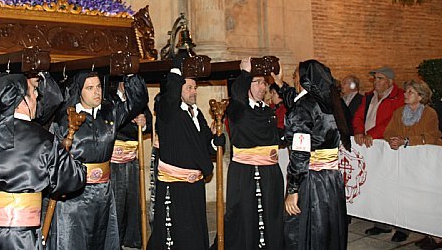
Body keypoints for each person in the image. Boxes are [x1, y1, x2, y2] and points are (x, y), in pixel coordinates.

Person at [0, 74, 86, 249]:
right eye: (34, 92)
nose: (37, 96)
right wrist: (77, 165)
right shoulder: (44, 140)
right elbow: (73, 179)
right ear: (23, 100)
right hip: (20, 238)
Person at [48, 71, 148, 250]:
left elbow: (138, 100)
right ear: (79, 91)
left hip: (103, 193)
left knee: (102, 240)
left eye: (99, 87)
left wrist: (130, 73)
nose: (97, 93)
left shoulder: (110, 113)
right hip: (74, 197)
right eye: (90, 88)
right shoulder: (66, 120)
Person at [147, 54, 224, 250]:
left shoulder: (196, 113)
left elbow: (206, 144)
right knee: (179, 235)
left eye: (195, 88)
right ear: (178, 89)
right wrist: (177, 68)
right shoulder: (168, 110)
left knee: (196, 231)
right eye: (189, 87)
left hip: (195, 185)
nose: (193, 92)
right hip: (174, 187)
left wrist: (215, 143)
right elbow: (170, 94)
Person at [273, 60, 349, 250]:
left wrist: (292, 190)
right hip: (332, 179)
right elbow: (296, 100)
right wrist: (280, 83)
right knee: (328, 228)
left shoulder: (304, 107)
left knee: (305, 229)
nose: (294, 79)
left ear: (304, 79)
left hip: (311, 180)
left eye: (296, 76)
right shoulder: (332, 102)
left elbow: (299, 154)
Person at [214, 57, 283, 249]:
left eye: (264, 83)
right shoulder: (237, 109)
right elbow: (236, 95)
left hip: (270, 172)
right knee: (243, 214)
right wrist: (244, 73)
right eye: (257, 82)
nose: (263, 87)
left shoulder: (268, 111)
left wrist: (279, 83)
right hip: (244, 172)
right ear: (247, 85)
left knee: (271, 213)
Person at [383, 80, 442, 250]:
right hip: (407, 163)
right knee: (412, 198)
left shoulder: (430, 113)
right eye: (406, 91)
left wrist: (408, 141)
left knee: (428, 199)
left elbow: (431, 136)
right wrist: (392, 140)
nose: (405, 94)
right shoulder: (398, 112)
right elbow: (388, 131)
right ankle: (426, 232)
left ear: (420, 96)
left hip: (428, 163)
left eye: (410, 92)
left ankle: (438, 237)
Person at [352, 66, 406, 241]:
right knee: (375, 183)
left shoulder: (399, 97)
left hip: (387, 145)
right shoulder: (369, 97)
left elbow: (392, 121)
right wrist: (359, 132)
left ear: (390, 81)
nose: (376, 81)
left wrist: (372, 134)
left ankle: (401, 226)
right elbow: (359, 116)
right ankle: (381, 223)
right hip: (370, 146)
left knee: (394, 185)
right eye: (375, 78)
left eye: (380, 78)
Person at [109, 80, 153, 249]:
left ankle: (132, 239)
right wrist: (131, 121)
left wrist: (144, 122)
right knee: (117, 200)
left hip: (133, 158)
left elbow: (148, 121)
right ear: (120, 83)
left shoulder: (138, 100)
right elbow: (116, 122)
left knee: (133, 200)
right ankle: (115, 241)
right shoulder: (110, 97)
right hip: (115, 159)